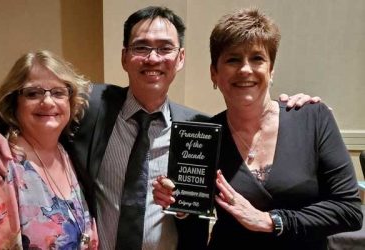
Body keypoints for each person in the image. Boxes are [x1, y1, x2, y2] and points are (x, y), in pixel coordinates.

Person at [0, 6, 319, 250]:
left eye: (165, 49)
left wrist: (292, 109)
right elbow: (29, 109)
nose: (152, 59)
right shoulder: (91, 105)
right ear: (124, 56)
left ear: (180, 59)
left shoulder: (201, 128)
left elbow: (217, 195)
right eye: (141, 47)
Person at [153, 8, 363, 249]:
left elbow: (349, 210)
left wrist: (270, 221)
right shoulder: (203, 135)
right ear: (214, 73)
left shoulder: (313, 118)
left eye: (257, 58)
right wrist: (179, 206)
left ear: (271, 70)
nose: (245, 69)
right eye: (233, 59)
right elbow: (194, 230)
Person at [0, 50, 98, 249]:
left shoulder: (66, 153)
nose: (48, 102)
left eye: (59, 92)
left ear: (71, 100)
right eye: (33, 93)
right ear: (14, 102)